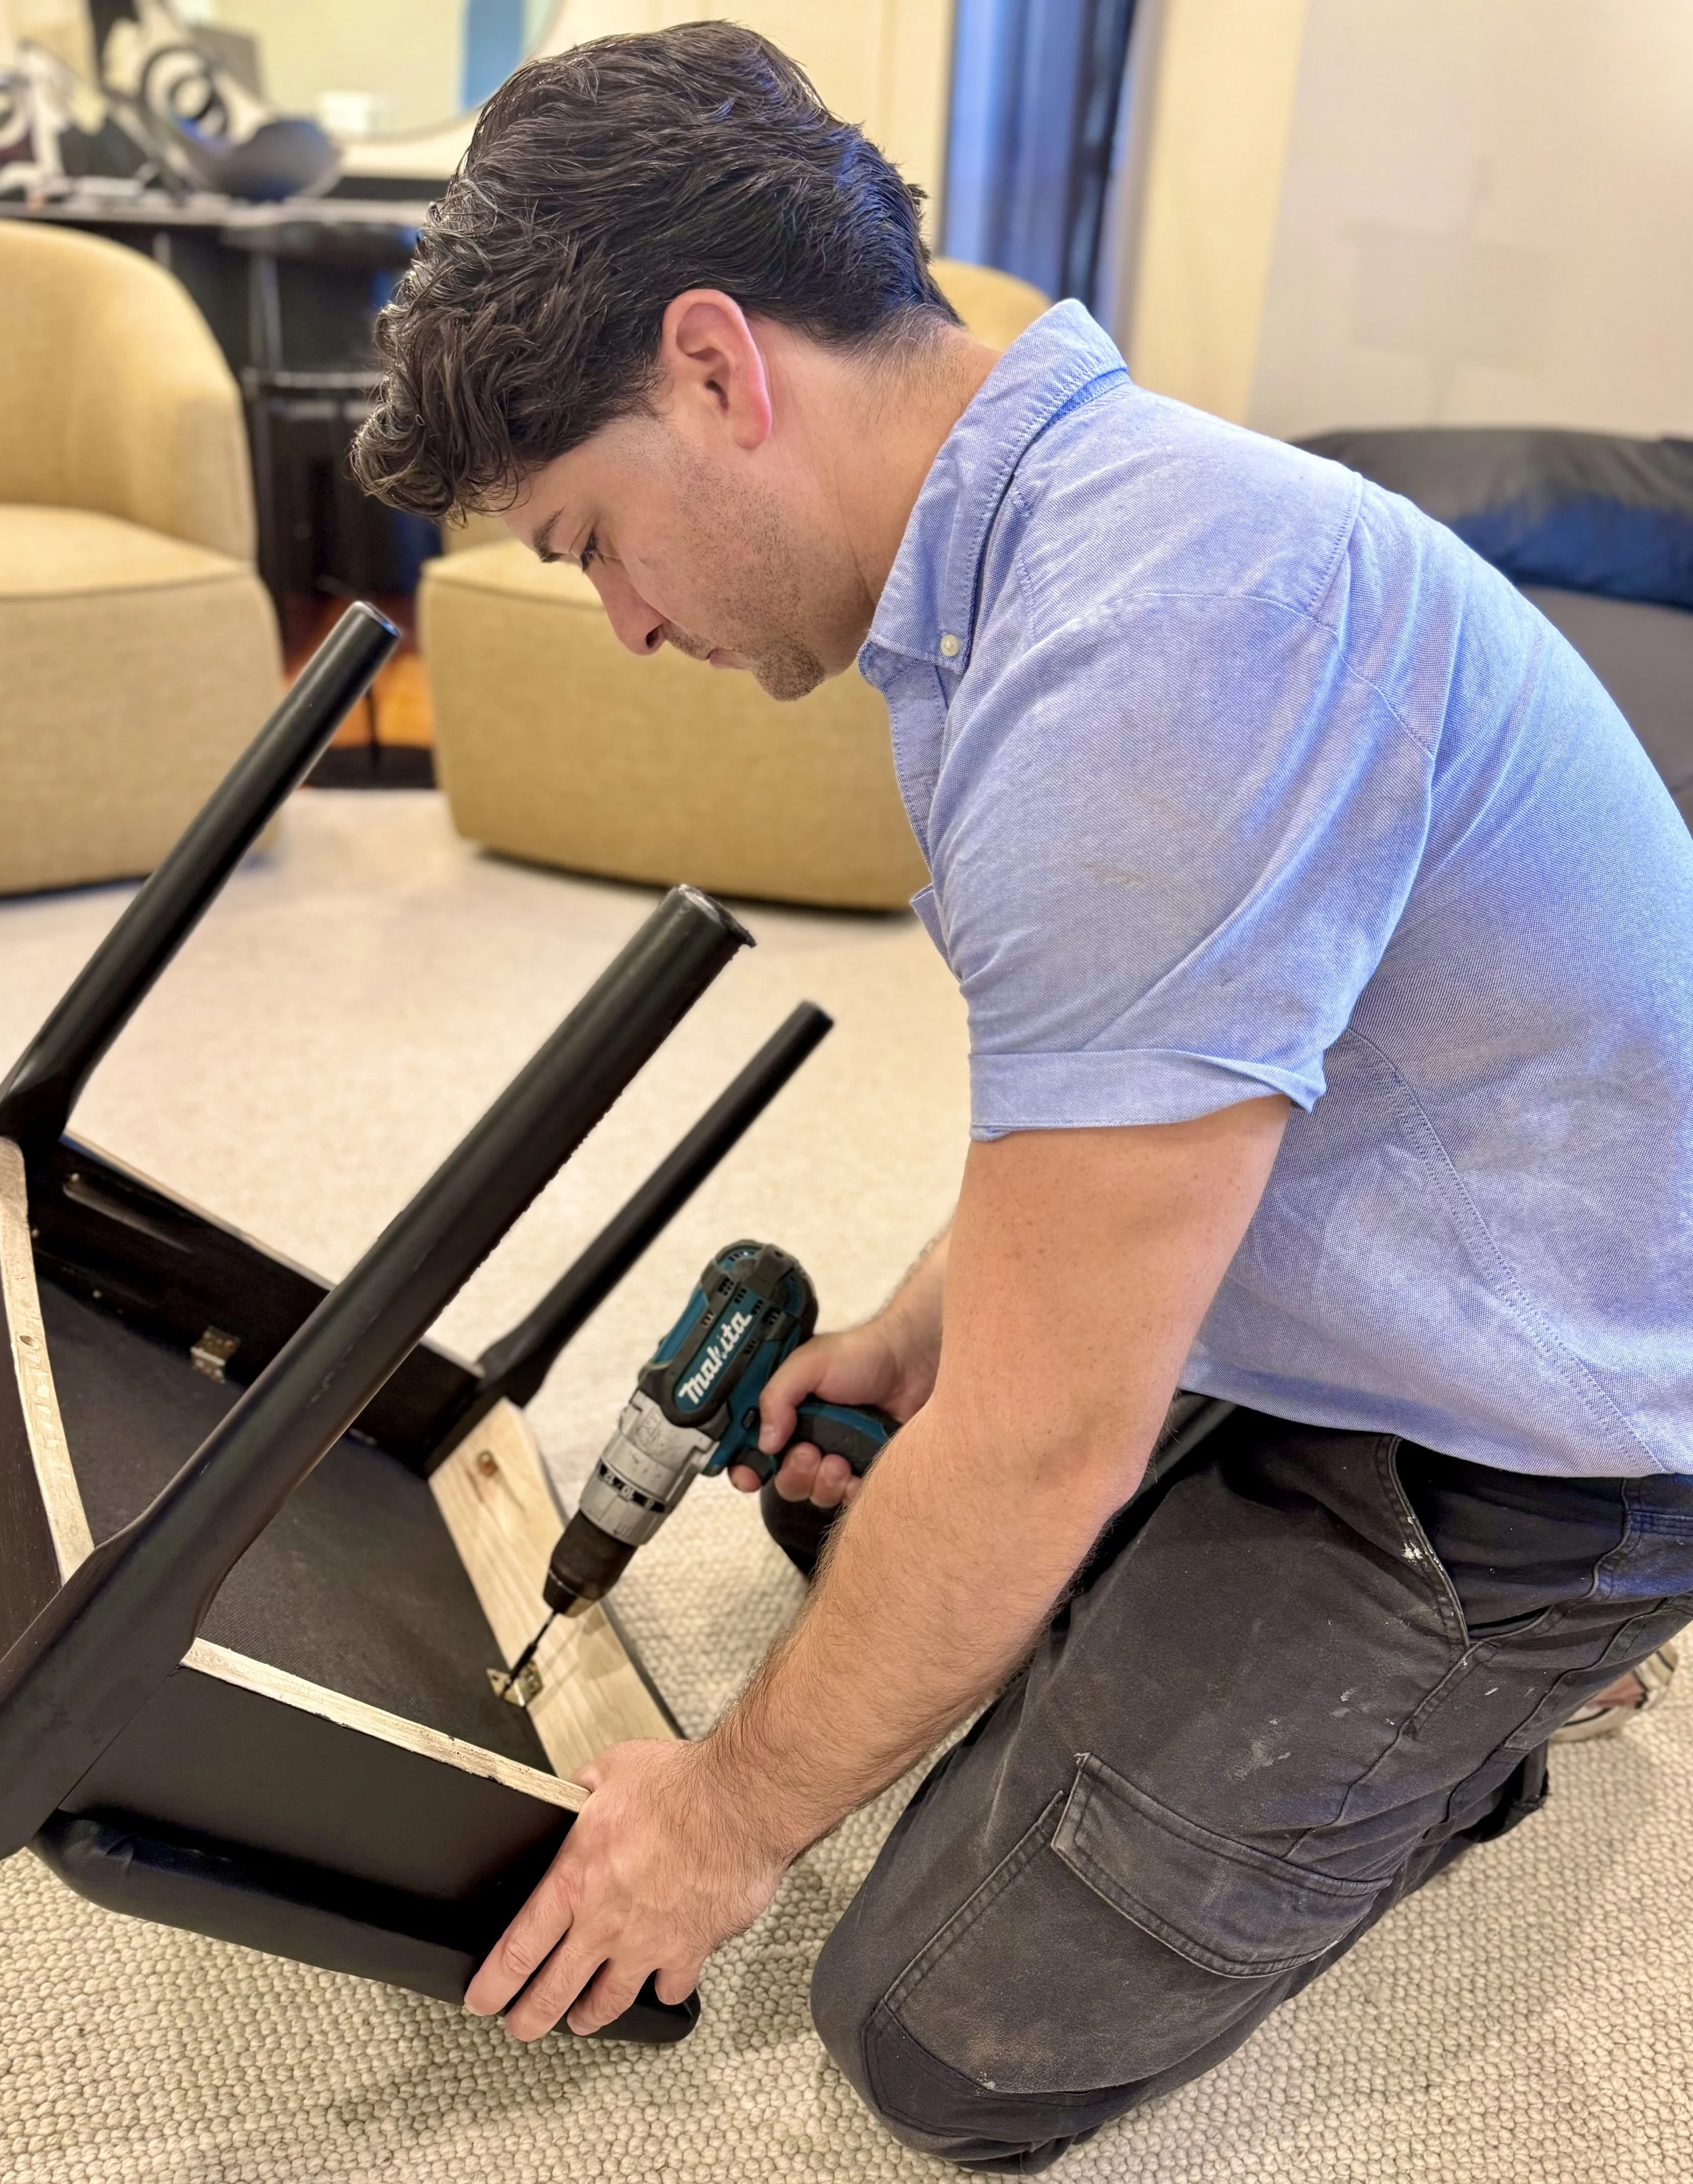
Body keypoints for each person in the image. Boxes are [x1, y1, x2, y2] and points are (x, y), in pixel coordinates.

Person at [353, 25, 1693, 2173]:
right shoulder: (1020, 566)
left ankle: (1511, 1692)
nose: (619, 625)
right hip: (1329, 1280)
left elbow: (1050, 1434)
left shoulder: (1150, 650)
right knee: (862, 1518)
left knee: (940, 2030)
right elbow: (1117, 1095)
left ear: (713, 368)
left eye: (590, 538)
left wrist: (720, 1822)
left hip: (1537, 1445)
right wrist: (922, 1323)